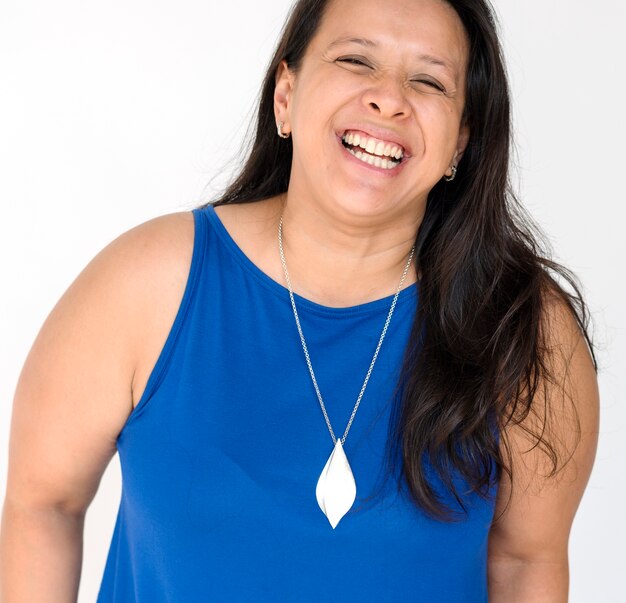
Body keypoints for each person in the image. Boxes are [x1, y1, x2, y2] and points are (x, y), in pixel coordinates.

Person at [0, 0, 599, 600]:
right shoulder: (150, 282)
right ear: (286, 96)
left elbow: (526, 562)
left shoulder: (524, 328)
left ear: (460, 145)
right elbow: (42, 503)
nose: (388, 98)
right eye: (356, 60)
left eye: (428, 80)